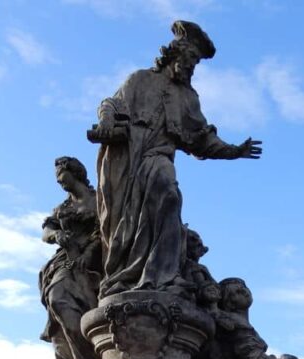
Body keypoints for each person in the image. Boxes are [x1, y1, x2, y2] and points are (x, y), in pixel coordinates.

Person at [90, 20, 261, 298]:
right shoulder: (140, 79)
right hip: (126, 161)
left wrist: (234, 150)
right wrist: (107, 119)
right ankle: (125, 274)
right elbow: (111, 103)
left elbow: (201, 139)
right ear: (175, 53)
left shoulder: (188, 97)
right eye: (190, 58)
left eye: (196, 61)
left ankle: (162, 277)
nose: (192, 65)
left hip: (157, 158)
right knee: (123, 227)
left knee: (168, 194)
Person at [39, 156, 102, 359]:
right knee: (57, 300)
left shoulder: (101, 200)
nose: (58, 181)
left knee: (86, 309)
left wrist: (90, 252)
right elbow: (46, 231)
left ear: (74, 171)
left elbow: (109, 229)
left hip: (96, 262)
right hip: (65, 261)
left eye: (60, 175)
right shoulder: (62, 208)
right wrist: (56, 235)